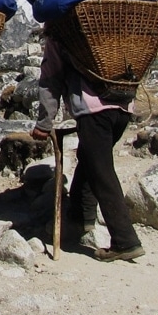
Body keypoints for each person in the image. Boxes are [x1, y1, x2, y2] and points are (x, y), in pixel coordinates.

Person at [30, 34, 144, 262]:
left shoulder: (63, 31)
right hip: (124, 104)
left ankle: (126, 240)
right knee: (90, 159)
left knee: (101, 170)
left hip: (93, 108)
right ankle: (81, 218)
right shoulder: (114, 24)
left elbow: (51, 77)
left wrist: (44, 122)